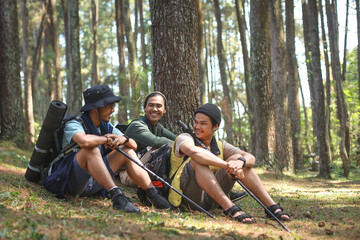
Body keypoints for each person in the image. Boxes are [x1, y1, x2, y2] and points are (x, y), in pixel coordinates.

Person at [43, 85, 172, 212]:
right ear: (96, 108)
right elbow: (84, 141)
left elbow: (133, 145)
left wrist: (124, 140)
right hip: (70, 183)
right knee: (91, 149)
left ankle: (153, 194)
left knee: (126, 150)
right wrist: (106, 139)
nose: (112, 110)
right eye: (109, 106)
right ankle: (116, 195)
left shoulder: (107, 126)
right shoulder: (74, 124)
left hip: (94, 183)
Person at [167, 103, 291, 223]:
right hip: (187, 199)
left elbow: (250, 158)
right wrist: (227, 165)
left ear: (215, 126)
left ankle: (271, 207)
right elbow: (194, 153)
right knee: (198, 161)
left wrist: (240, 163)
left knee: (239, 159)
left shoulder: (221, 145)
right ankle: (230, 208)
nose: (197, 127)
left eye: (203, 123)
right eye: (196, 122)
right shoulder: (185, 138)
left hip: (211, 201)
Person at [118, 92, 176, 187]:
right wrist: (183, 145)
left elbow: (176, 138)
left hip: (142, 169)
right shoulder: (137, 125)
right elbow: (155, 141)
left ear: (164, 110)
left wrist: (189, 142)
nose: (154, 109)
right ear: (145, 108)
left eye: (159, 106)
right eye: (151, 105)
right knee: (160, 148)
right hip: (128, 175)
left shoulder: (157, 127)